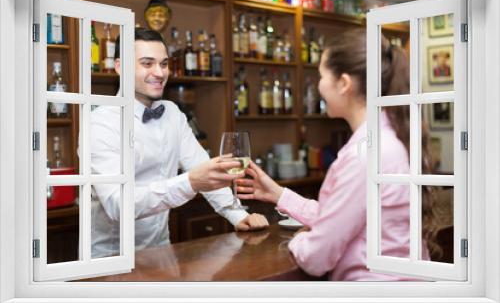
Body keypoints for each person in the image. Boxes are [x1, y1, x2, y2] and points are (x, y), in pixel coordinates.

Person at [236, 28, 441, 281]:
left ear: (343, 84)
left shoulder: (364, 154)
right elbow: (345, 215)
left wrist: (301, 240)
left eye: (321, 75)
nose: (319, 85)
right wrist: (278, 193)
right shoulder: (388, 137)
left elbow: (316, 258)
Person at [89, 28, 268, 258]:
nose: (159, 72)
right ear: (119, 67)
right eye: (147, 63)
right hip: (112, 260)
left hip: (162, 251)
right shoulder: (100, 122)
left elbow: (203, 166)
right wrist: (191, 182)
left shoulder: (172, 113)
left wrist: (238, 215)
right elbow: (117, 204)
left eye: (163, 64)